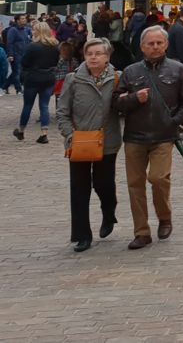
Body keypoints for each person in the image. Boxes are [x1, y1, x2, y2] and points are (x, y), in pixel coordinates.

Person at [112, 25, 183, 250]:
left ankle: (164, 217)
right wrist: (133, 99)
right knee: (135, 184)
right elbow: (116, 102)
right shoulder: (130, 71)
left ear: (166, 45)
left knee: (158, 178)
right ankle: (141, 231)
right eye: (150, 43)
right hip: (134, 136)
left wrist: (175, 121)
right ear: (142, 47)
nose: (155, 47)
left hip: (163, 136)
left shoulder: (177, 70)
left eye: (159, 43)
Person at [57, 38, 122, 252]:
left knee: (104, 184)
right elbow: (63, 111)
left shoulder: (117, 79)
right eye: (89, 54)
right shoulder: (73, 79)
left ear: (107, 57)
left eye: (98, 53)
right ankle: (82, 234)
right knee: (79, 189)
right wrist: (69, 136)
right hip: (80, 141)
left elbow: (124, 106)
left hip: (107, 140)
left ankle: (108, 211)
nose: (93, 57)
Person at [15, 20, 61, 144]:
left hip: (33, 77)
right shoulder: (55, 45)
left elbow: (24, 62)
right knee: (44, 106)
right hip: (48, 77)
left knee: (28, 105)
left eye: (34, 29)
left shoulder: (32, 46)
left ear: (38, 31)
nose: (32, 31)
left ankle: (21, 130)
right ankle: (44, 133)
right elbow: (56, 62)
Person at [2, 15, 31, 94]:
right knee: (17, 72)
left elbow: (28, 41)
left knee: (16, 72)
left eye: (25, 18)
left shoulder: (26, 30)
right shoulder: (13, 30)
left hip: (24, 54)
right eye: (22, 18)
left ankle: (4, 86)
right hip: (16, 54)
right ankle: (18, 89)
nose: (24, 20)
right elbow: (9, 43)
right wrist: (10, 54)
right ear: (17, 20)